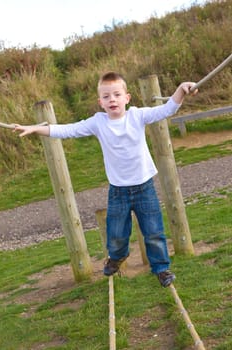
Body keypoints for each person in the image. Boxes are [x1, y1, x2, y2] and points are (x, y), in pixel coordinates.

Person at [14, 71, 197, 287]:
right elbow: (68, 130)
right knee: (116, 233)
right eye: (107, 96)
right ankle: (118, 257)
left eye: (117, 95)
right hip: (118, 191)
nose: (112, 100)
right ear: (100, 102)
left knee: (154, 231)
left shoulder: (137, 116)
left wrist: (181, 89)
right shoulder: (98, 123)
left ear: (126, 98)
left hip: (144, 187)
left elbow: (167, 109)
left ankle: (161, 269)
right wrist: (35, 128)